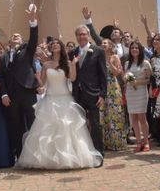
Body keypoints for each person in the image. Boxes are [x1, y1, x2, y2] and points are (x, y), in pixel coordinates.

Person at [17, 39, 103, 169]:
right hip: (50, 99)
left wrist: (73, 64)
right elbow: (43, 83)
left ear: (61, 47)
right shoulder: (46, 64)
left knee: (67, 130)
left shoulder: (67, 63)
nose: (55, 45)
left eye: (57, 44)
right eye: (53, 44)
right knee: (48, 131)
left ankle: (69, 159)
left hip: (65, 99)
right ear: (51, 48)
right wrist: (37, 76)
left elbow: (72, 78)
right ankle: (48, 160)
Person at [0, 4, 39, 161]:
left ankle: (36, 154)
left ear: (22, 41)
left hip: (28, 91)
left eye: (18, 36)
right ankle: (21, 157)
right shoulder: (4, 57)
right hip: (12, 95)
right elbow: (0, 76)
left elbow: (34, 37)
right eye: (13, 36)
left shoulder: (28, 50)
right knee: (17, 126)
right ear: (9, 42)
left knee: (33, 123)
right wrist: (4, 94)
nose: (15, 37)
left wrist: (33, 21)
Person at [70, 24, 107, 159]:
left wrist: (102, 94)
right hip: (78, 94)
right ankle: (83, 152)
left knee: (95, 124)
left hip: (94, 94)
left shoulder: (98, 51)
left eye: (84, 34)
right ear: (76, 37)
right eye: (79, 34)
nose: (82, 36)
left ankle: (98, 153)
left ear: (88, 35)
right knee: (79, 124)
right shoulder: (72, 52)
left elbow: (103, 74)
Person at [124, 40, 152, 153]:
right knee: (133, 118)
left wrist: (137, 82)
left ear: (140, 50)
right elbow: (125, 78)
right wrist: (126, 79)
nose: (134, 50)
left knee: (142, 117)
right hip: (130, 93)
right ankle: (138, 142)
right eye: (132, 48)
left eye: (136, 48)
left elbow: (150, 79)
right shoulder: (127, 64)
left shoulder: (145, 63)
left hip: (140, 92)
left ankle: (146, 141)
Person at [100, 38, 126, 151]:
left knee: (114, 114)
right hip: (102, 87)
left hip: (113, 87)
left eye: (105, 43)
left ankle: (116, 142)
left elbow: (117, 73)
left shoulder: (115, 57)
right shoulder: (99, 57)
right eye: (102, 43)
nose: (103, 45)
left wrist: (110, 62)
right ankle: (105, 142)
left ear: (110, 46)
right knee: (104, 115)